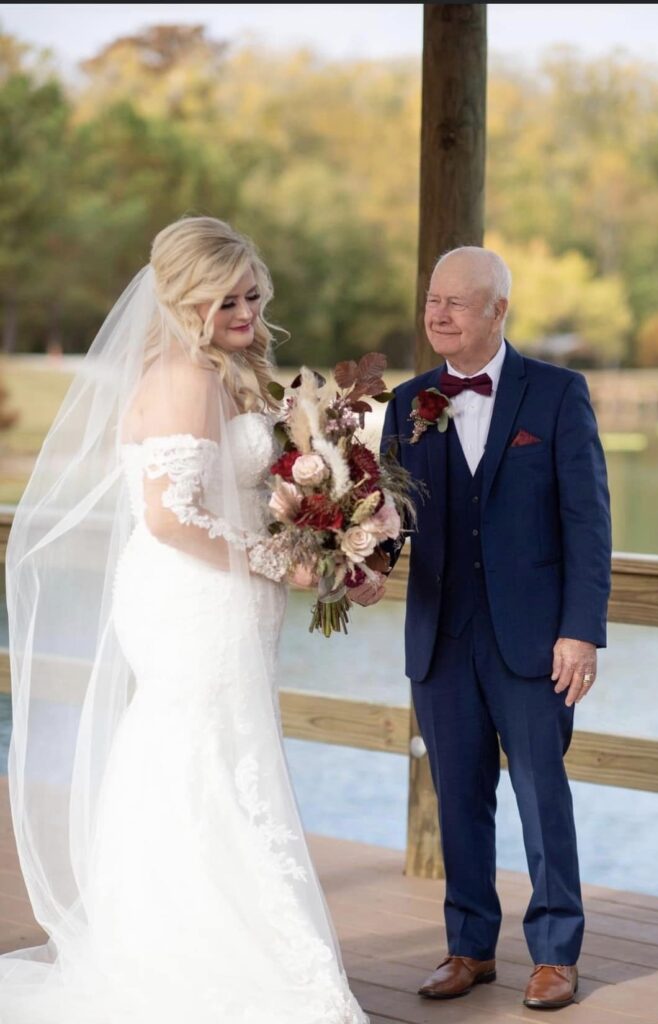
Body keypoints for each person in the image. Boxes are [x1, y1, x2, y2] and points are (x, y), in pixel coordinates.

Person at [1, 216, 367, 1024]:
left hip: (215, 593)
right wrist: (284, 562)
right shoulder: (184, 379)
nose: (245, 312)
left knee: (206, 756)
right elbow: (170, 517)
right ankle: (207, 965)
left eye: (252, 295)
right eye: (226, 299)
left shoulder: (224, 374)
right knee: (208, 760)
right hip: (193, 600)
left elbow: (239, 494)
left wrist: (327, 527)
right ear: (185, 299)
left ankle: (187, 942)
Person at [353, 246, 611, 1010]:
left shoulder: (559, 394)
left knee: (541, 794)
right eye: (433, 299)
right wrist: (363, 561)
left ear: (499, 311)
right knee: (457, 795)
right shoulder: (407, 402)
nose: (438, 313)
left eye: (457, 302)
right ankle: (469, 947)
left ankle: (555, 954)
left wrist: (581, 630)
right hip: (440, 635)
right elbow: (392, 519)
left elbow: (587, 523)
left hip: (534, 638)